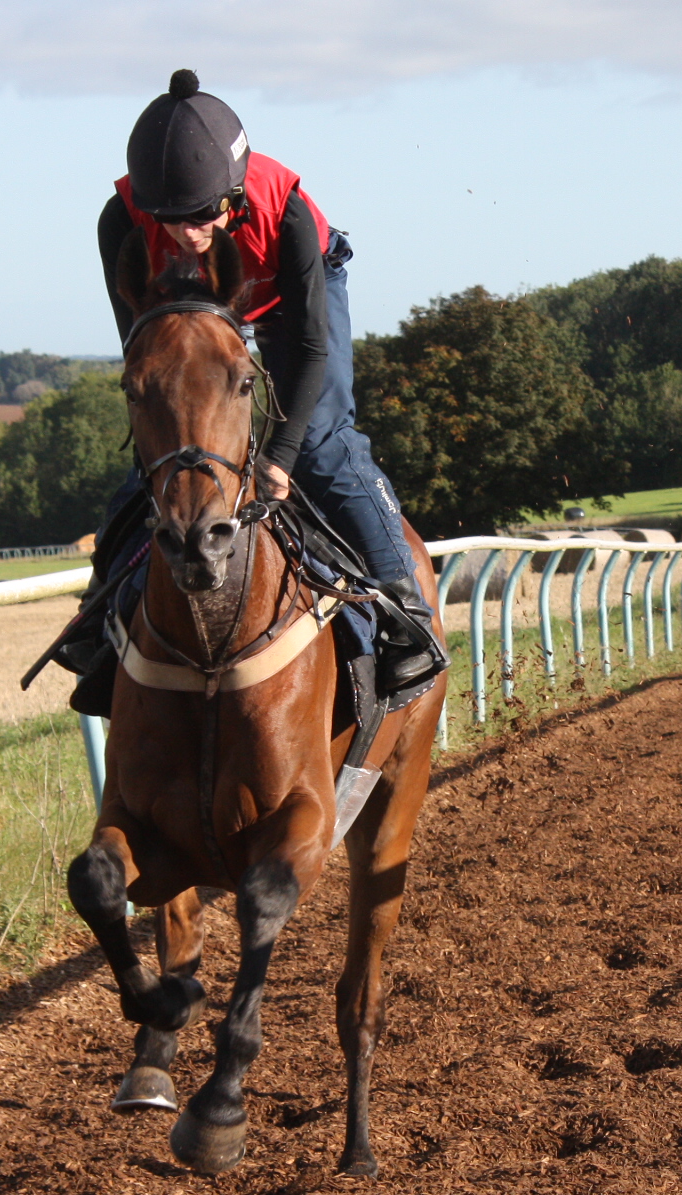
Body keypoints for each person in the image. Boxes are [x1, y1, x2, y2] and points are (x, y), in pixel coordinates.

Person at [64, 68, 440, 715]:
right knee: (161, 451)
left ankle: (405, 610)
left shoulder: (286, 210)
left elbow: (313, 349)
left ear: (233, 194)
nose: (187, 234)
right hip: (193, 311)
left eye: (203, 215)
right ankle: (99, 619)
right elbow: (140, 357)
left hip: (295, 296)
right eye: (170, 220)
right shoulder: (118, 222)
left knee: (323, 440)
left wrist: (279, 457)